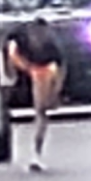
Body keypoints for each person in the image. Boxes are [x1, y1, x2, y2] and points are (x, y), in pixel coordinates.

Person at [6, 18, 64, 171]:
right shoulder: (19, 34)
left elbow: (60, 66)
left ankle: (36, 152)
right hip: (22, 64)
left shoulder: (51, 46)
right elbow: (8, 47)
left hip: (42, 69)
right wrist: (12, 70)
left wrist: (56, 88)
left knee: (41, 111)